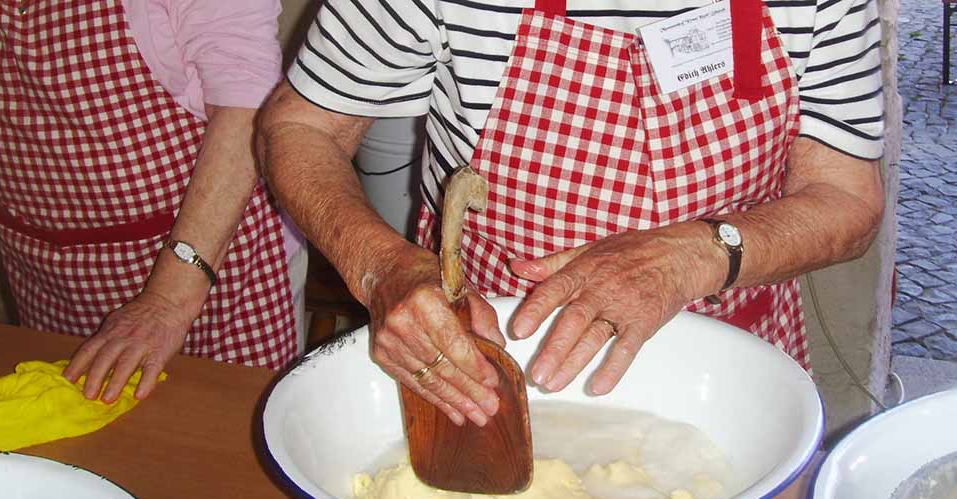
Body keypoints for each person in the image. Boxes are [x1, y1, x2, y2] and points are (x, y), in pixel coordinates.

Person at [257, 0, 886, 428]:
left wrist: (694, 253)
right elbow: (298, 126)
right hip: (490, 373)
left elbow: (849, 200)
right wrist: (382, 268)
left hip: (730, 382)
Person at [0, 0, 305, 403]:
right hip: (50, 279)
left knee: (214, 442)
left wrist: (167, 302)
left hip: (210, 277)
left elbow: (248, 109)